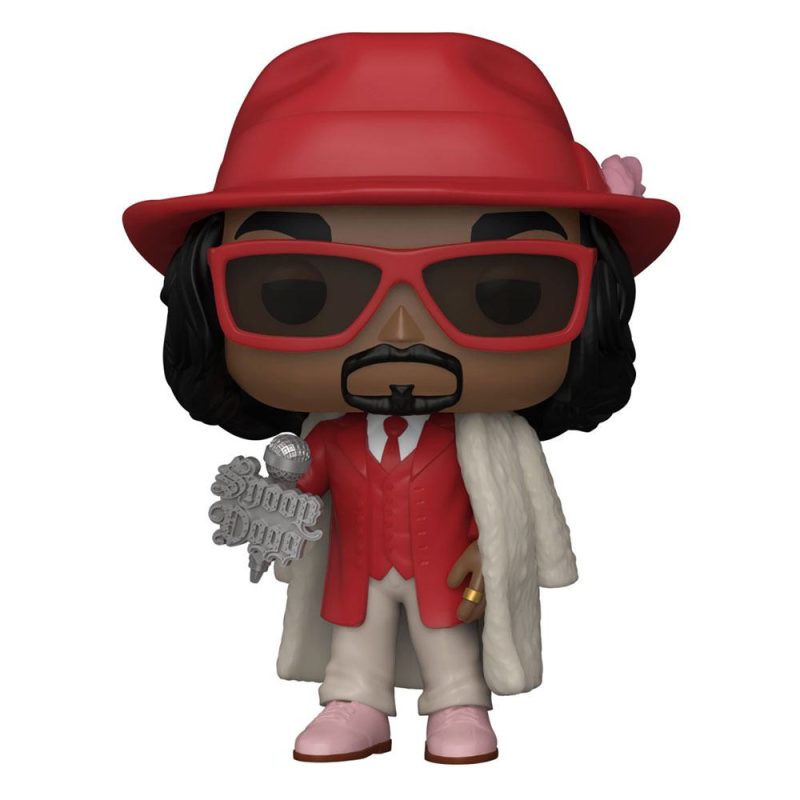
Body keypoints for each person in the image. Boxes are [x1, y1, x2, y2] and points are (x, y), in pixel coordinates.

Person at [123, 32, 679, 764]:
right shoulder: (327, 438)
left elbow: (504, 502)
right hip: (357, 573)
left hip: (443, 574)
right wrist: (272, 501)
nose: (401, 337)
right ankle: (354, 702)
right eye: (299, 293)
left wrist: (492, 550)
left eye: (503, 292)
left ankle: (459, 705)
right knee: (355, 646)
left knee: (449, 646)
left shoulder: (480, 442)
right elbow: (302, 490)